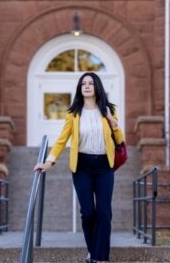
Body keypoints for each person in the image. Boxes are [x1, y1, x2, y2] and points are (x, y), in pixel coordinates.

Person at [34, 72, 124, 263]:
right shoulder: (73, 113)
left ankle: (101, 258)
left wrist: (112, 121)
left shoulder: (108, 110)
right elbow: (61, 140)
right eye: (84, 83)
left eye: (91, 83)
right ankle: (92, 250)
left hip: (104, 166)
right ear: (80, 88)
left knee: (104, 213)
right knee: (88, 212)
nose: (87, 86)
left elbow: (119, 139)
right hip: (82, 166)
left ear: (97, 86)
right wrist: (49, 161)